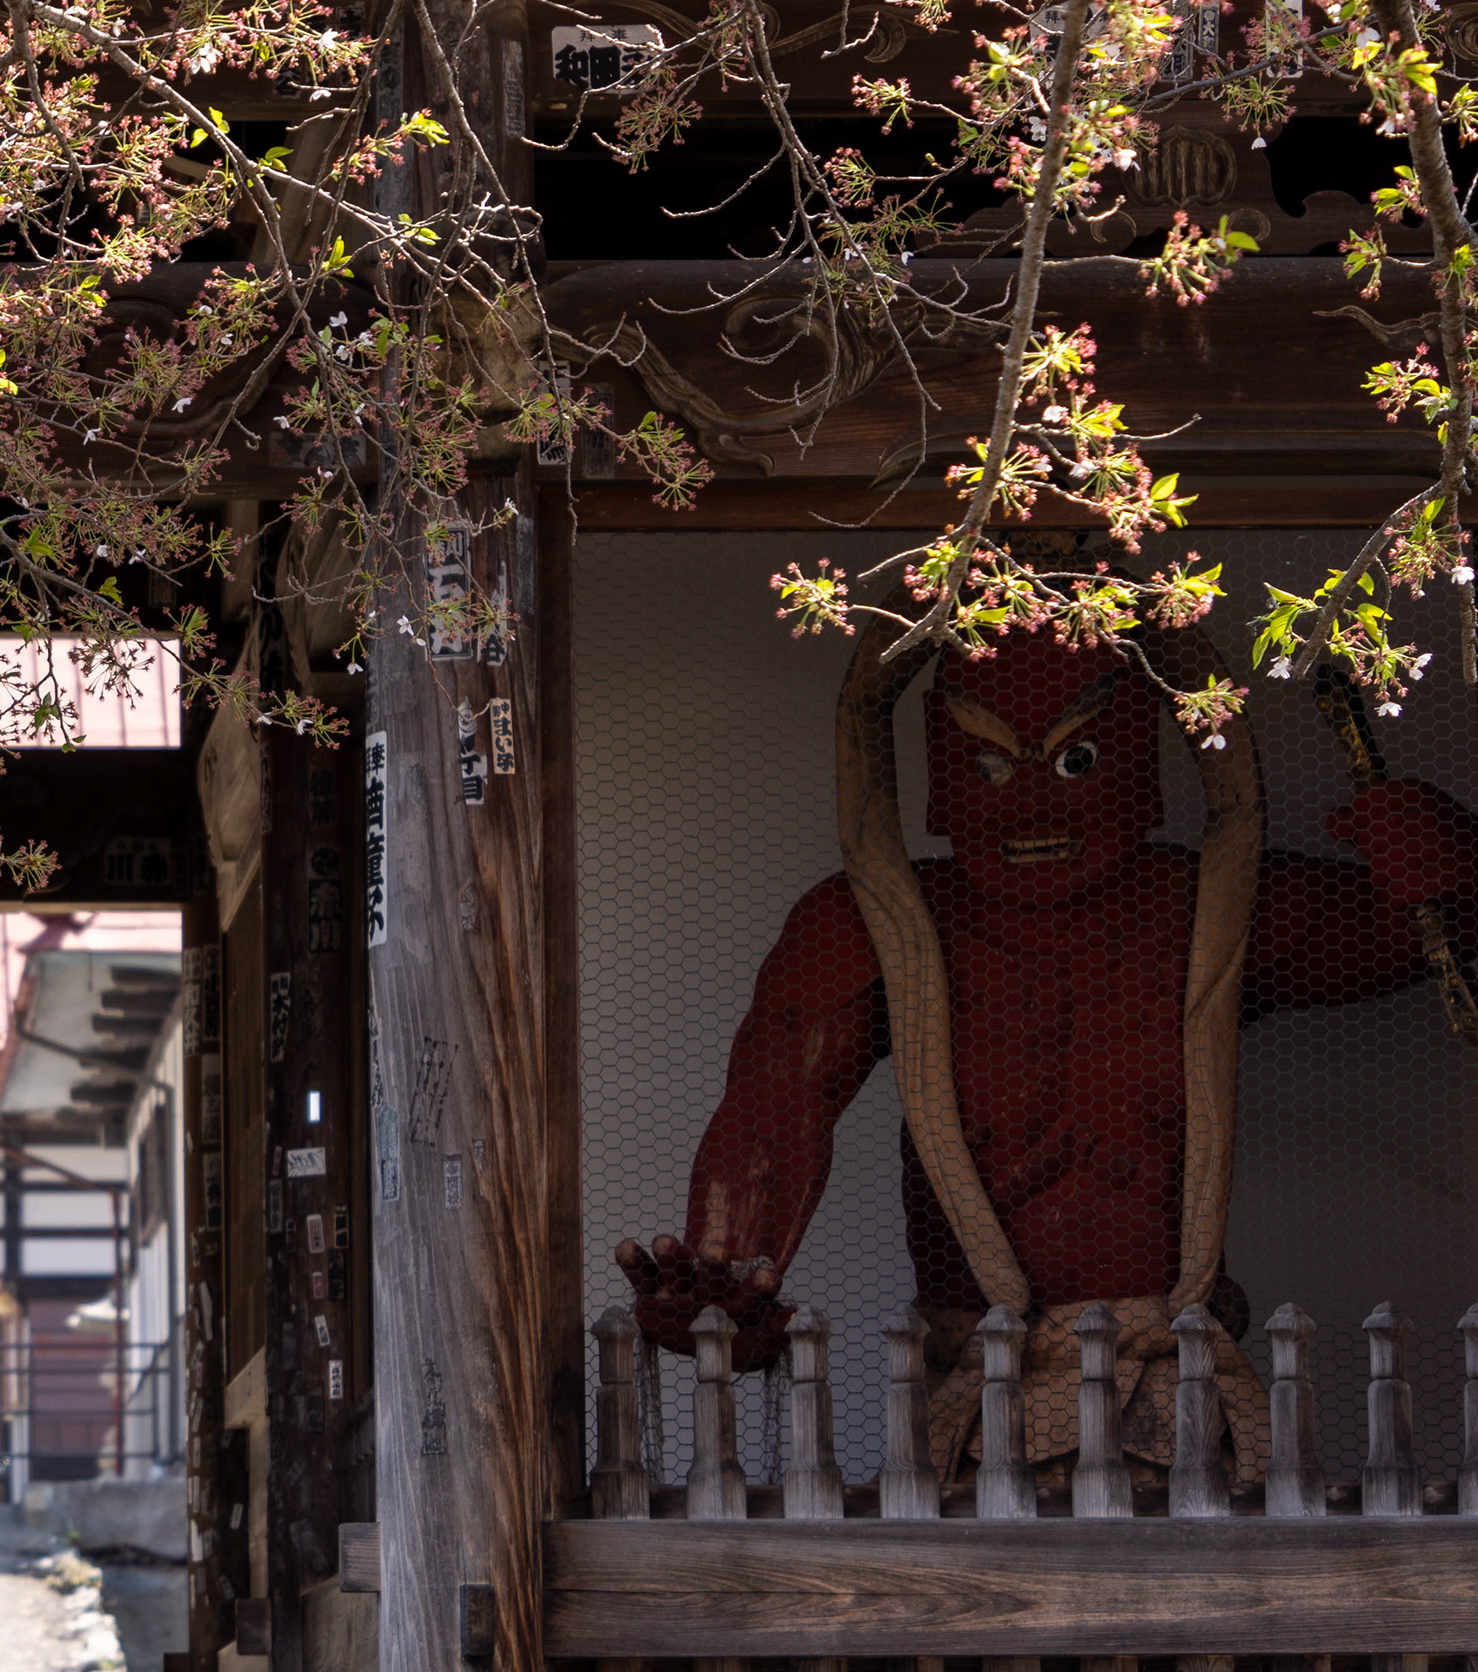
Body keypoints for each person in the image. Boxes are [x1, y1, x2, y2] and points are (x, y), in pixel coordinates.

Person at [618, 628, 1478, 1475]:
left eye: (1077, 762)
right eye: (988, 766)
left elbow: (1407, 938)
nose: (1032, 808)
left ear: (1144, 762)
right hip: (975, 1377)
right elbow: (775, 1107)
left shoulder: (1204, 909)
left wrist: (1445, 869)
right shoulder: (874, 923)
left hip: (1171, 1376)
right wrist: (723, 1274)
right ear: (937, 779)